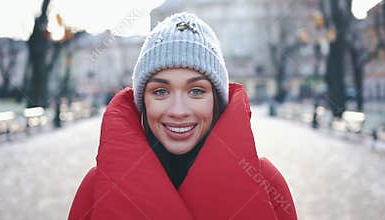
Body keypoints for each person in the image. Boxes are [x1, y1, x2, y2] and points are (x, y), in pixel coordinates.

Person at [68, 12, 297, 220]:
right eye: (160, 91)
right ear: (143, 102)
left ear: (216, 100)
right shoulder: (96, 188)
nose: (178, 111)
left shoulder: (267, 182)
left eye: (196, 91)